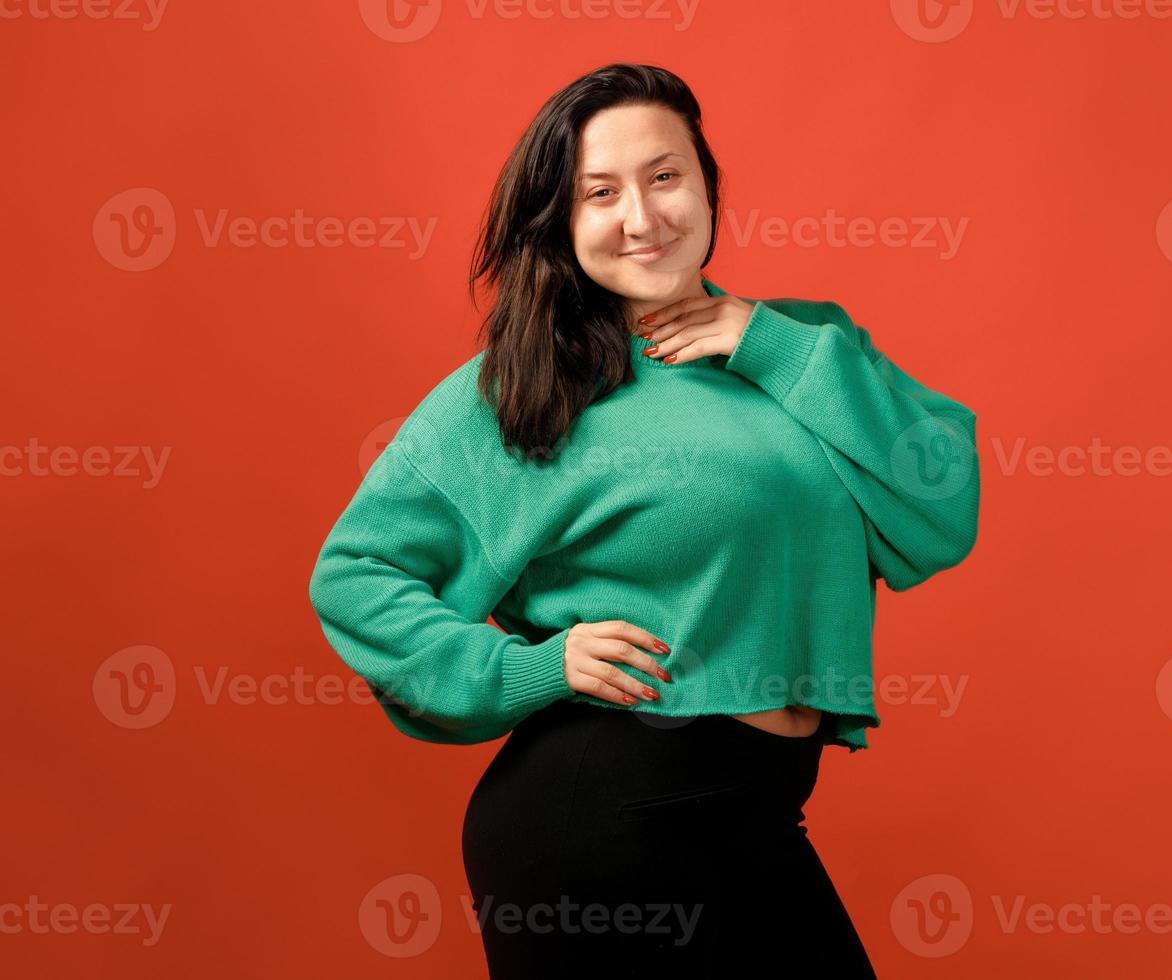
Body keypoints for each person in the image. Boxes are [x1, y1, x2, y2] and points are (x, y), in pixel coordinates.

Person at [307, 62, 980, 978]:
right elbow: (356, 576)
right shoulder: (532, 384)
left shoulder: (808, 348)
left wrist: (767, 344)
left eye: (665, 176)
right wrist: (529, 668)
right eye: (600, 193)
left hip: (763, 811)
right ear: (564, 221)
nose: (642, 217)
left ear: (706, 180)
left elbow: (942, 511)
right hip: (600, 822)